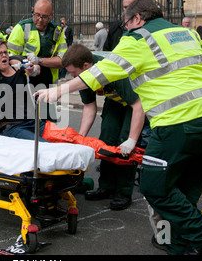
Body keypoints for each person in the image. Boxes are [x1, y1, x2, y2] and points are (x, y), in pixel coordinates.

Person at [35, 0, 202, 255]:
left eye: (126, 24)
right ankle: (178, 244)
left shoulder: (139, 38)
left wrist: (61, 89)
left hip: (177, 123)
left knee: (154, 187)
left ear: (137, 19)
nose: (124, 30)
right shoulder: (187, 33)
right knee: (182, 190)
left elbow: (102, 71)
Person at [62, 44, 147, 210]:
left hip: (136, 102)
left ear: (86, 66)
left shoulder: (113, 69)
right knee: (106, 140)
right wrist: (80, 137)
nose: (72, 77)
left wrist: (132, 139)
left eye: (73, 73)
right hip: (115, 101)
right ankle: (106, 186)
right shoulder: (85, 75)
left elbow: (138, 106)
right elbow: (89, 106)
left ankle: (123, 192)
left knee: (124, 145)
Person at [7, 0, 68, 86]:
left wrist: (39, 60)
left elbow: (64, 61)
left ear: (51, 15)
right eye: (37, 15)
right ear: (33, 11)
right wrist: (26, 67)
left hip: (49, 84)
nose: (40, 19)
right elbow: (10, 57)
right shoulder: (21, 28)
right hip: (25, 84)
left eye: (44, 16)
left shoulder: (57, 31)